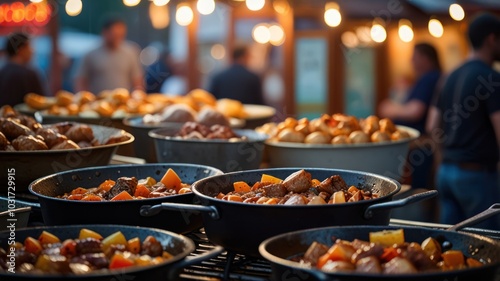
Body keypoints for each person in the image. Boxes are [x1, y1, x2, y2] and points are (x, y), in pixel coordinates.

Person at [426, 13, 500, 229]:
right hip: (477, 176)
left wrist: (445, 160)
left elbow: (432, 126)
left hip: (446, 174)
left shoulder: (448, 76)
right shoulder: (491, 78)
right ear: (491, 39)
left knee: (452, 248)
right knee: (486, 246)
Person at [379, 43, 441, 189]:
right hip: (422, 148)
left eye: (415, 57)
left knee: (419, 190)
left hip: (422, 147)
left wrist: (390, 108)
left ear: (425, 59)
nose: (411, 61)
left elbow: (415, 110)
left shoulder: (429, 78)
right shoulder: (429, 78)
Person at [74, 18, 143, 94]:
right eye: (115, 35)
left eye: (121, 35)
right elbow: (81, 80)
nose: (118, 38)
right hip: (98, 102)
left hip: (123, 102)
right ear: (105, 32)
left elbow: (137, 80)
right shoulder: (90, 54)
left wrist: (138, 95)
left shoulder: (131, 52)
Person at [0, 32, 47, 106]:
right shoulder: (30, 74)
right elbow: (42, 103)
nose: (32, 51)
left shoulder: (2, 72)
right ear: (21, 49)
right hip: (26, 117)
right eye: (30, 47)